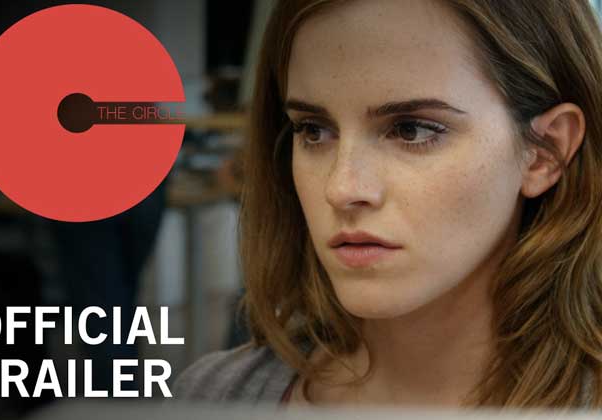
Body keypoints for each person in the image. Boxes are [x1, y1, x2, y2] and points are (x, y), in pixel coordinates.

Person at [171, 0, 602, 409]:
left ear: (545, 152)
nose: (341, 189)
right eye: (314, 131)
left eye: (411, 130)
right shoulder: (211, 396)